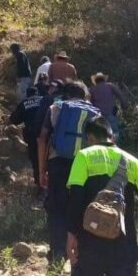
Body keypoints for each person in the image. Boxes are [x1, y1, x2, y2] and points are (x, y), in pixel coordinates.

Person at [67, 116, 138, 276]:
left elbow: (75, 198)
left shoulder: (84, 156)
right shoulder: (132, 161)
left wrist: (71, 234)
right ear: (112, 136)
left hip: (90, 238)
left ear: (90, 137)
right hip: (123, 241)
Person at [37, 81, 101, 262]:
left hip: (58, 163)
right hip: (85, 166)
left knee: (56, 208)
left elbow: (42, 139)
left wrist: (42, 171)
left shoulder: (56, 108)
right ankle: (80, 257)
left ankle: (57, 255)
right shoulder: (95, 113)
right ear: (85, 95)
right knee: (81, 208)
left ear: (66, 95)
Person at [9, 87, 44, 190]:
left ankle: (39, 184)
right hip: (46, 134)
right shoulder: (44, 99)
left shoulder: (24, 103)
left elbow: (14, 119)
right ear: (37, 93)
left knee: (35, 160)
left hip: (31, 135)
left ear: (27, 94)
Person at [89, 72, 129, 140]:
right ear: (104, 80)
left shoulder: (92, 89)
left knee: (98, 133)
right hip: (109, 112)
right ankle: (115, 147)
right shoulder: (110, 86)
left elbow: (89, 102)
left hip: (97, 114)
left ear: (95, 81)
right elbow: (120, 96)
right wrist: (124, 106)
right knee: (114, 132)